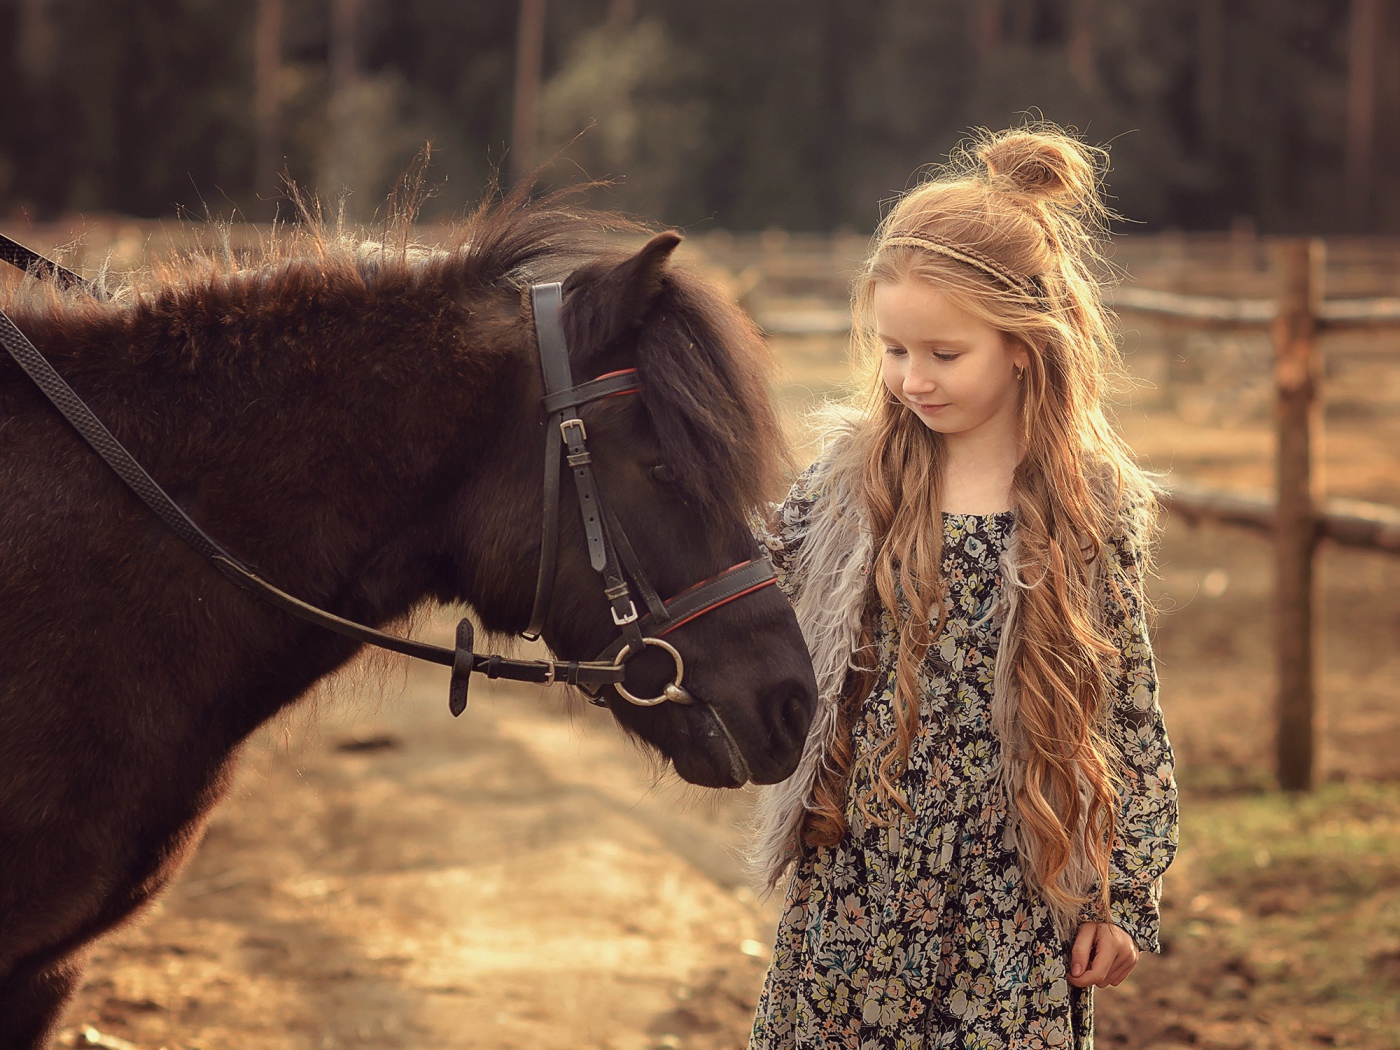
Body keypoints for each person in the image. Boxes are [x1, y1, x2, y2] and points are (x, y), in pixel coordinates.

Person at [747, 126, 1179, 1050]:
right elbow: (751, 581)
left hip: (1016, 895)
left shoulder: (1087, 503)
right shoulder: (854, 480)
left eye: (945, 354)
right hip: (859, 881)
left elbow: (1129, 703)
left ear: (1023, 343)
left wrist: (1123, 895)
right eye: (895, 351)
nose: (914, 379)